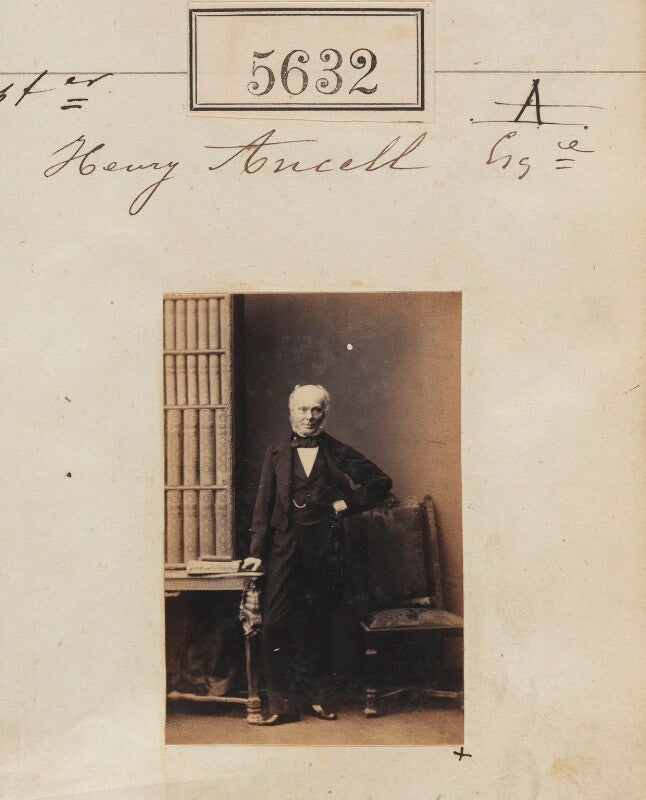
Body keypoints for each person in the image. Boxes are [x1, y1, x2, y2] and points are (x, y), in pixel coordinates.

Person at [241, 384, 392, 725]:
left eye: (316, 410)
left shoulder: (337, 451)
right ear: (291, 412)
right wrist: (257, 552)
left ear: (325, 413)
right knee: (275, 621)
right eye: (303, 409)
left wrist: (344, 504)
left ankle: (318, 698)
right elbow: (264, 504)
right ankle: (282, 704)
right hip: (284, 547)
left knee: (321, 622)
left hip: (326, 547)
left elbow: (380, 482)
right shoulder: (276, 452)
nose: (309, 417)